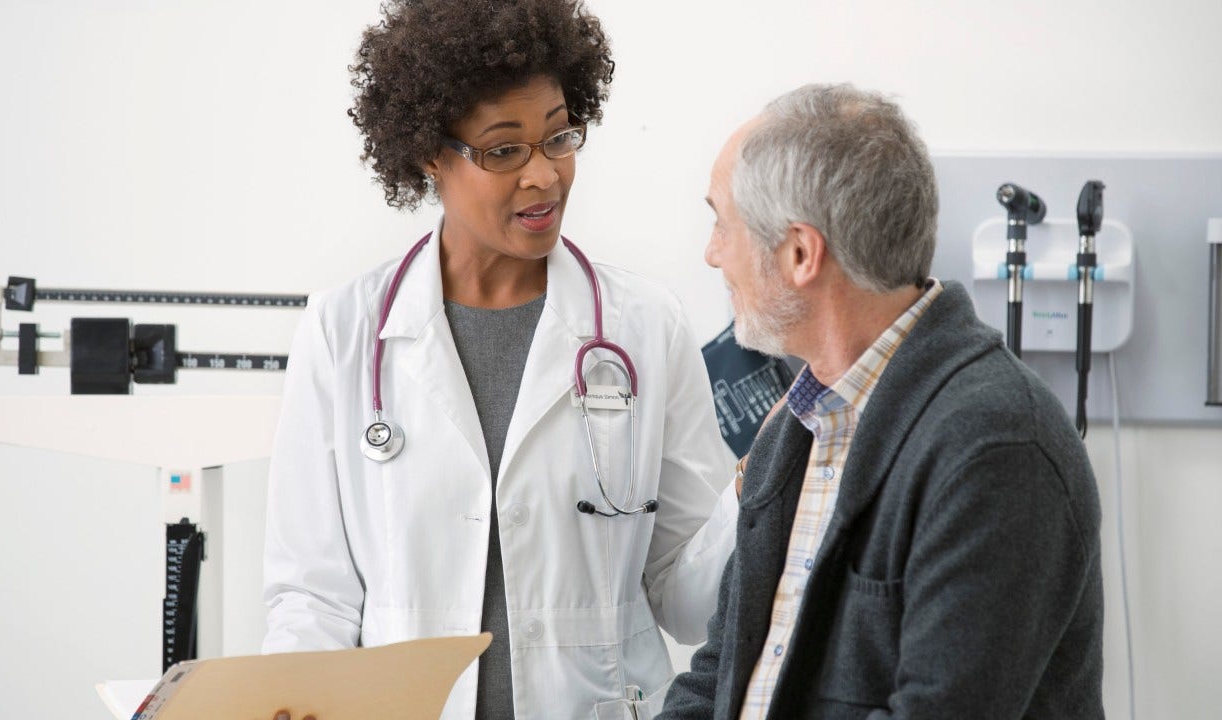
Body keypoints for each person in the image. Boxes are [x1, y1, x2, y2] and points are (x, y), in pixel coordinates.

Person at [261, 2, 739, 718]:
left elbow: (690, 602)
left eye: (558, 138)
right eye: (503, 150)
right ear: (429, 154)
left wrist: (756, 487)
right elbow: (312, 596)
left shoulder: (645, 327)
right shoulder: (344, 331)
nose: (544, 177)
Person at [658, 84, 1104, 719]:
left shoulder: (998, 449)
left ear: (800, 253)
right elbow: (719, 678)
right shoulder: (795, 426)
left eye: (721, 224)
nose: (712, 254)